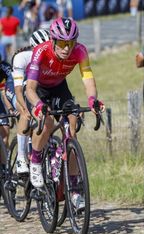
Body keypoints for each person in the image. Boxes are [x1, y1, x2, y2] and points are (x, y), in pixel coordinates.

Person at [26, 17, 104, 210]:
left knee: (72, 123)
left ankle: (75, 188)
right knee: (47, 123)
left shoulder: (80, 51)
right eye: (62, 43)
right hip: (39, 89)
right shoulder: (41, 52)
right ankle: (35, 161)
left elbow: (88, 79)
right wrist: (37, 106)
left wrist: (93, 100)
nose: (67, 48)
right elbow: (30, 88)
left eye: (71, 43)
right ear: (53, 40)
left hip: (60, 87)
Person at [6, 29, 51, 174]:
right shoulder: (23, 57)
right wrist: (24, 108)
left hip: (31, 88)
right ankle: (20, 156)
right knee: (25, 113)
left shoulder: (52, 57)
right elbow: (19, 90)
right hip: (14, 87)